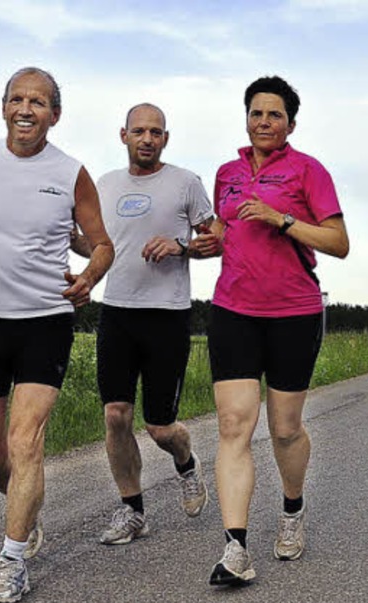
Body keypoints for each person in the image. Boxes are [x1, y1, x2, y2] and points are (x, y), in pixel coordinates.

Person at [0, 67, 115, 603]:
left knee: (25, 441)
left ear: (54, 115)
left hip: (45, 320)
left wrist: (88, 278)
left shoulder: (71, 172)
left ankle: (10, 560)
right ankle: (25, 507)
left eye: (38, 101)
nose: (26, 109)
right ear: (4, 107)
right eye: (17, 99)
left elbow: (101, 244)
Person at [203, 76, 349, 586]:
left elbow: (338, 241)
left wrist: (280, 217)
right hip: (233, 310)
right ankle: (235, 548)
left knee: (284, 427)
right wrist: (205, 241)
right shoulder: (226, 173)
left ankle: (292, 508)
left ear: (290, 123)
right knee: (233, 426)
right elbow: (227, 231)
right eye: (256, 113)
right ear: (246, 117)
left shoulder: (309, 171)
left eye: (275, 115)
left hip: (294, 312)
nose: (264, 122)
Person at [80, 103, 218, 545]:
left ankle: (187, 463)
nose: (147, 138)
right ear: (123, 135)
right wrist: (63, 238)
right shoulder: (104, 186)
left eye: (155, 132)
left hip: (167, 315)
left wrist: (180, 245)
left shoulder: (185, 183)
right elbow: (96, 247)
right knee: (116, 415)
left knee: (160, 427)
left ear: (165, 138)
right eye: (139, 130)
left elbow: (218, 241)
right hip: (117, 312)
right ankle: (132, 512)